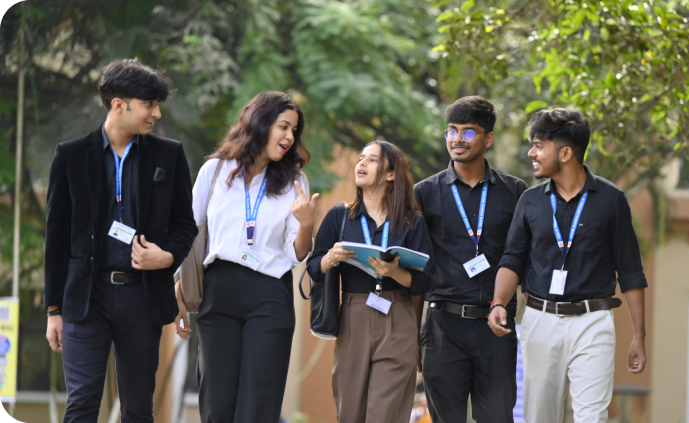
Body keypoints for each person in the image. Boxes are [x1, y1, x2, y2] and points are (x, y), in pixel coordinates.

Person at [44, 58, 198, 422]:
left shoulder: (169, 154)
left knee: (137, 409)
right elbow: (57, 237)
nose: (157, 113)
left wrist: (167, 257)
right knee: (81, 405)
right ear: (118, 104)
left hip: (142, 297)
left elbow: (184, 224)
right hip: (85, 298)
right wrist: (53, 310)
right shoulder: (71, 155)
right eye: (149, 104)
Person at [489, 108, 648, 423]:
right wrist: (498, 302)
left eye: (539, 146)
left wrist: (639, 336)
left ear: (565, 153)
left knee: (592, 417)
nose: (532, 153)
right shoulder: (530, 201)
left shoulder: (611, 200)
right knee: (539, 417)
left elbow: (630, 272)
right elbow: (512, 259)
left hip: (593, 321)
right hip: (539, 319)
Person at [173, 91, 318, 423]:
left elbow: (296, 254)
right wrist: (179, 285)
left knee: (258, 404)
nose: (289, 137)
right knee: (217, 403)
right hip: (218, 288)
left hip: (269, 294)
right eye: (283, 126)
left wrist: (307, 225)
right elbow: (188, 232)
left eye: (294, 130)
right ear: (260, 122)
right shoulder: (214, 171)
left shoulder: (294, 182)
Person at [414, 96, 529, 423]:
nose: (457, 139)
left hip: (496, 326)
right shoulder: (424, 193)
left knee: (497, 418)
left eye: (468, 132)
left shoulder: (515, 192)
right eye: (451, 131)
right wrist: (413, 333)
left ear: (488, 138)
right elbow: (418, 267)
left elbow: (521, 257)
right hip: (442, 325)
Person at [307, 140, 435, 423]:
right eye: (360, 159)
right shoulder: (339, 216)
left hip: (397, 315)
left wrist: (394, 273)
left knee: (385, 414)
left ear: (391, 173)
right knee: (350, 411)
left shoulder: (412, 221)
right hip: (352, 316)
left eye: (372, 159)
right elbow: (313, 267)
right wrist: (331, 258)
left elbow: (427, 279)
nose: (361, 163)